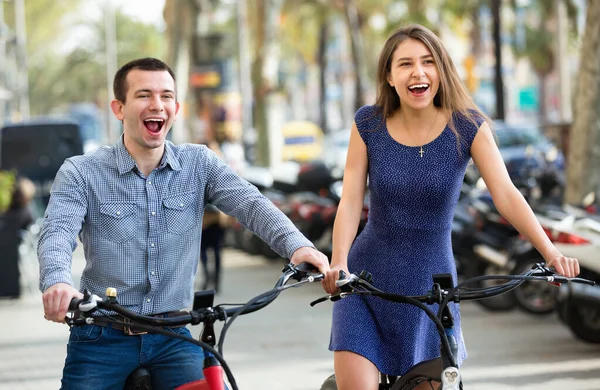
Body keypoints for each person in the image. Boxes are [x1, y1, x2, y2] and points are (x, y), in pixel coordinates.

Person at [38, 57, 330, 389]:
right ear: (119, 108)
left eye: (165, 96)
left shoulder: (199, 163)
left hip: (174, 335)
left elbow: (250, 204)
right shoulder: (81, 171)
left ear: (176, 108)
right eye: (144, 95)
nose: (157, 105)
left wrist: (298, 246)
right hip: (100, 336)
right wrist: (57, 282)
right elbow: (57, 232)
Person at [321, 24, 580, 390]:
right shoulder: (368, 124)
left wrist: (551, 252)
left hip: (434, 289)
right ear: (389, 76)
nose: (418, 72)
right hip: (366, 284)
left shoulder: (467, 126)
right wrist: (339, 262)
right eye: (406, 64)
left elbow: (506, 195)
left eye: (428, 62)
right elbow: (350, 202)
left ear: (441, 70)